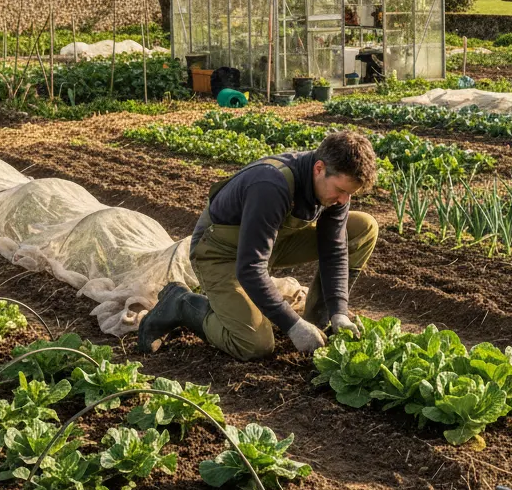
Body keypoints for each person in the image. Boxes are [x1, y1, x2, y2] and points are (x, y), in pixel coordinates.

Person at [138, 130, 379, 359]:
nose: (344, 200)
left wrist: (339, 312)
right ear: (319, 169)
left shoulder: (334, 188)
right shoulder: (271, 184)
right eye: (341, 190)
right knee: (255, 344)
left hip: (268, 245)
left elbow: (335, 250)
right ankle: (181, 304)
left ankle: (320, 322)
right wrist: (292, 326)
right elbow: (251, 267)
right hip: (221, 254)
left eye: (350, 194)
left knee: (363, 228)